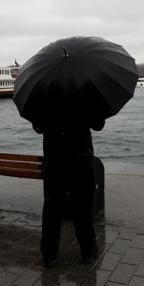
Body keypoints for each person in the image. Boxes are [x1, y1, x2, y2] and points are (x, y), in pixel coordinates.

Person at [33, 115, 104, 268]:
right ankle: (88, 251)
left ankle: (49, 254)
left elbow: (37, 127)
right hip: (81, 159)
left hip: (54, 158)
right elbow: (98, 123)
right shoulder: (84, 93)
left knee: (52, 208)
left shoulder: (46, 96)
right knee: (83, 207)